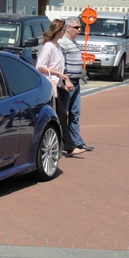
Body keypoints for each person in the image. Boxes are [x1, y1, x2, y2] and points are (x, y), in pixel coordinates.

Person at [36, 19, 84, 156]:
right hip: (49, 87)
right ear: (58, 31)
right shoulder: (49, 46)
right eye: (63, 30)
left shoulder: (57, 47)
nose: (64, 32)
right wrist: (59, 75)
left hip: (57, 86)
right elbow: (40, 66)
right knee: (61, 115)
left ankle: (65, 145)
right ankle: (69, 146)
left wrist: (63, 84)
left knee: (61, 115)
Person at [59, 17, 93, 153]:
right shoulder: (63, 43)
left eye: (80, 27)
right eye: (76, 27)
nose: (80, 30)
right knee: (63, 114)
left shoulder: (75, 42)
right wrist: (65, 80)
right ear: (68, 28)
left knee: (75, 113)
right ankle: (66, 142)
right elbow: (61, 63)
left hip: (76, 82)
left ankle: (76, 142)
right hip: (68, 83)